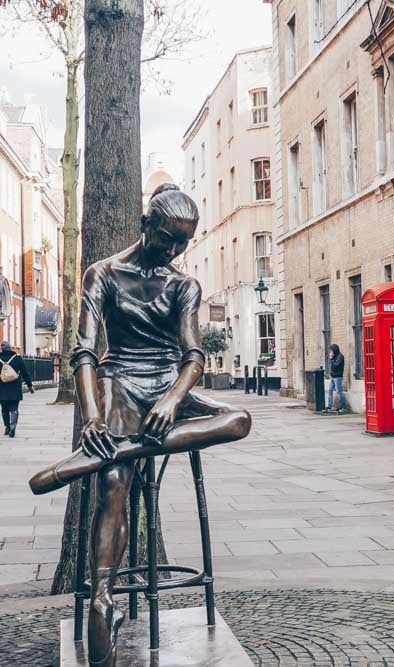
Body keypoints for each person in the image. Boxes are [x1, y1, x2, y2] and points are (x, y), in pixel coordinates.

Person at [29, 183, 251, 666]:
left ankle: (126, 448)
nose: (172, 251)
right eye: (167, 239)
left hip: (169, 387)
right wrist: (92, 416)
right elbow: (85, 352)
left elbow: (192, 355)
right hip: (120, 381)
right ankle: (104, 595)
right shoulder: (102, 275)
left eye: (182, 244)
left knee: (238, 419)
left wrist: (173, 399)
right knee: (112, 484)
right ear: (146, 225)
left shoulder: (183, 285)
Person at [0, 341, 33, 437]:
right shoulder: (17, 358)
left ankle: (7, 427)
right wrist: (30, 385)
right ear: (10, 348)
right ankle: (13, 426)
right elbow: (24, 373)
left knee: (4, 409)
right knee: (14, 408)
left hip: (2, 387)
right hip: (15, 387)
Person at [325, 343, 345, 413]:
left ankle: (341, 407)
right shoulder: (334, 356)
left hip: (338, 377)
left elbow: (336, 366)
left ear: (335, 350)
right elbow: (332, 367)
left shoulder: (340, 356)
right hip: (333, 376)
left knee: (339, 392)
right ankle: (329, 406)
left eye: (332, 351)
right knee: (330, 390)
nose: (331, 352)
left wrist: (331, 359)